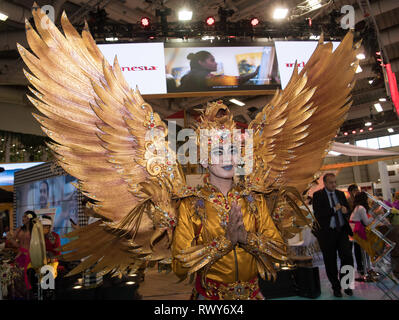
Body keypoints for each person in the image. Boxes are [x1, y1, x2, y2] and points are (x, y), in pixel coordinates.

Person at [171, 108, 287, 300]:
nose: (228, 157)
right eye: (218, 151)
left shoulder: (254, 200)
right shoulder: (191, 205)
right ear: (204, 161)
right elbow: (179, 266)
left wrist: (247, 238)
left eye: (232, 150)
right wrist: (225, 242)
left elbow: (280, 250)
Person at [312, 173, 354, 297]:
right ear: (324, 183)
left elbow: (347, 208)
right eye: (331, 182)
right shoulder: (318, 195)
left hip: (341, 231)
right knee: (330, 261)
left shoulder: (340, 194)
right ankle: (336, 287)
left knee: (347, 257)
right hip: (327, 233)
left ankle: (347, 285)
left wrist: (346, 210)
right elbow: (318, 214)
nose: (334, 185)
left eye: (335, 182)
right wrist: (333, 209)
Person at [178, 51, 259, 92]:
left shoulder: (189, 76)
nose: (216, 63)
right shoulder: (200, 76)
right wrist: (254, 74)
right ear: (201, 62)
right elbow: (232, 80)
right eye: (212, 60)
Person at [6, 210, 37, 291]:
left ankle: (27, 292)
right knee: (16, 274)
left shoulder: (35, 229)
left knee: (24, 274)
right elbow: (16, 244)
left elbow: (37, 244)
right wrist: (9, 237)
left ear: (30, 218)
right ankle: (19, 292)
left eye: (25, 216)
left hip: (30, 254)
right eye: (23, 216)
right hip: (20, 254)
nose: (23, 218)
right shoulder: (19, 228)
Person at [346, 184, 364, 278]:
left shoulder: (357, 201)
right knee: (350, 250)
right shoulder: (349, 201)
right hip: (351, 228)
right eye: (355, 190)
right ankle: (353, 270)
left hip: (357, 227)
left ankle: (360, 268)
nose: (356, 192)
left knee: (358, 249)